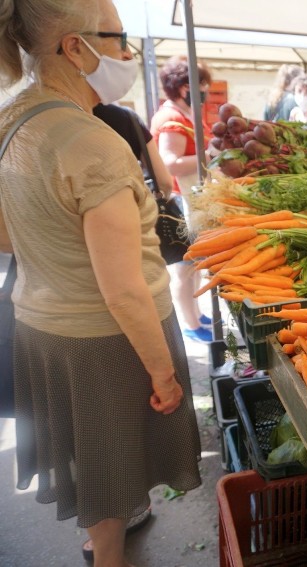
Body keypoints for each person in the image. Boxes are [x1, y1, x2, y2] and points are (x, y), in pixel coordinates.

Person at [0, 2, 202, 566]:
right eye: (118, 39)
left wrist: (59, 256)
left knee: (88, 460)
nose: (127, 55)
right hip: (107, 342)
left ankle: (103, 546)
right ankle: (109, 557)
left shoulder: (12, 118)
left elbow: (8, 237)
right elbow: (124, 292)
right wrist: (163, 374)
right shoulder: (91, 144)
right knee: (111, 463)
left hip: (43, 328)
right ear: (74, 47)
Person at [149, 55, 214, 343]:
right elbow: (169, 162)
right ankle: (190, 323)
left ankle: (197, 313)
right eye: (202, 84)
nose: (206, 91)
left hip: (192, 199)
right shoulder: (172, 118)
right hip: (180, 202)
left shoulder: (183, 113)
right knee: (185, 268)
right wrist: (208, 157)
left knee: (193, 265)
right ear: (185, 86)